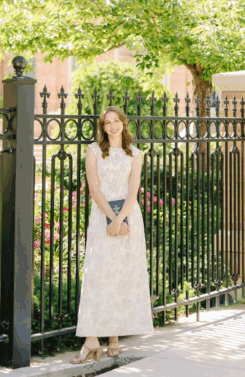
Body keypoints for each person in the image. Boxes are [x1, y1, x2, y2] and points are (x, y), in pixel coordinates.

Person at [70, 105, 154, 363]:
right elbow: (94, 188)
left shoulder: (135, 153)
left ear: (123, 123)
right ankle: (92, 338)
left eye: (116, 121)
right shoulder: (94, 151)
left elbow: (133, 189)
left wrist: (120, 220)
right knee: (98, 275)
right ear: (102, 127)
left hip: (128, 220)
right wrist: (111, 219)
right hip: (102, 219)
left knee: (120, 275)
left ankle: (114, 337)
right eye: (107, 122)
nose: (113, 126)